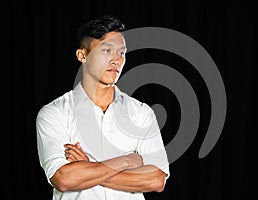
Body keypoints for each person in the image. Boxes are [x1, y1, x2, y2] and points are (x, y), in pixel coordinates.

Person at [36, 15, 170, 200]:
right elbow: (63, 179)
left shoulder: (141, 113)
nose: (116, 60)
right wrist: (127, 161)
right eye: (106, 50)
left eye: (121, 53)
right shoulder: (55, 113)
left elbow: (155, 180)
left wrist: (89, 165)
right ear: (82, 55)